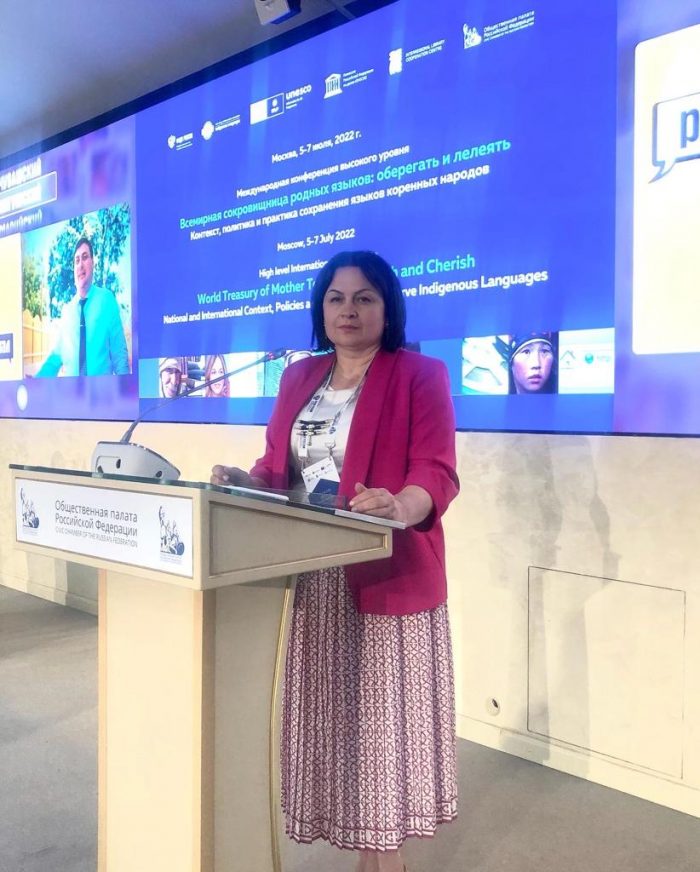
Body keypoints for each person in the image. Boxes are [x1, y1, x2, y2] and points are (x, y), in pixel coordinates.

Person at [211, 251, 459, 872]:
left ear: (388, 307)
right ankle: (366, 854)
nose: (348, 310)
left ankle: (386, 859)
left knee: (382, 725)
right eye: (336, 298)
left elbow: (437, 471)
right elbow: (278, 467)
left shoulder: (419, 374)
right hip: (314, 573)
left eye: (364, 298)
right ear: (320, 309)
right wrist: (248, 482)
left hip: (387, 570)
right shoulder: (299, 377)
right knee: (339, 721)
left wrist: (400, 505)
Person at [36, 236, 130, 376]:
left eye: (85, 257)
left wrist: (126, 387)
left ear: (93, 263)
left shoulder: (106, 300)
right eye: (77, 260)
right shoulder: (67, 312)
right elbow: (55, 359)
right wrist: (33, 382)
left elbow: (119, 356)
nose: (80, 265)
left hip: (102, 390)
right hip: (72, 390)